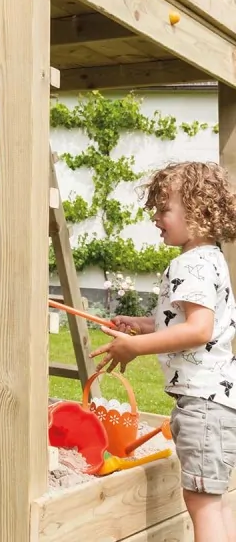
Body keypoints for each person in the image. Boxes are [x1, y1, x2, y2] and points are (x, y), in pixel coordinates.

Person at [91, 162, 236, 542]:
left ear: (198, 212)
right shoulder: (212, 259)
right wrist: (141, 326)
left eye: (163, 210)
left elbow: (197, 330)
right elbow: (189, 324)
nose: (155, 218)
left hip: (202, 404)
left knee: (201, 501)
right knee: (215, 501)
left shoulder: (189, 264)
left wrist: (134, 347)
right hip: (214, 402)